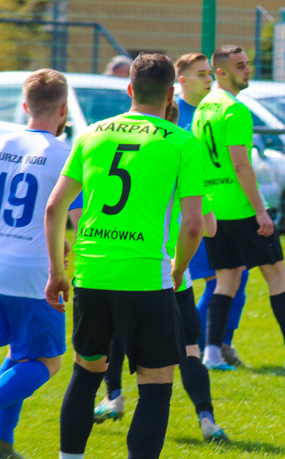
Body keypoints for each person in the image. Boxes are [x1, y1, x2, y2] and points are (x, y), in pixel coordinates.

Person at [45, 53, 205, 459]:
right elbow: (193, 225)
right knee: (155, 384)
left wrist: (57, 271)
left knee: (87, 372)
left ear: (129, 89)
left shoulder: (92, 134)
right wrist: (179, 268)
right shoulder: (182, 141)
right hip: (147, 280)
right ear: (172, 93)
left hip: (93, 277)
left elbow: (54, 209)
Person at [90, 98, 230, 443]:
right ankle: (207, 419)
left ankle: (114, 396)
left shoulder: (125, 151)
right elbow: (209, 227)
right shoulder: (181, 157)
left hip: (127, 266)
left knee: (117, 335)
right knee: (189, 351)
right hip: (170, 274)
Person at [191, 45, 285, 372]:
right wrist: (261, 211)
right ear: (221, 72)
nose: (247, 70)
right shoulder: (234, 110)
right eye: (240, 66)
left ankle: (210, 353)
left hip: (214, 209)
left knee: (226, 282)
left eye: (248, 64)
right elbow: (241, 165)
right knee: (277, 276)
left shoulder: (202, 108)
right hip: (241, 209)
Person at [0, 70, 81, 459]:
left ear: (25, 106)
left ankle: (3, 444)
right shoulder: (66, 155)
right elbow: (77, 218)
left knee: (19, 354)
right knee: (47, 360)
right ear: (64, 110)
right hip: (32, 273)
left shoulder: (2, 141)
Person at [174, 53, 250, 369]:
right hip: (189, 215)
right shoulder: (174, 116)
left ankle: (221, 343)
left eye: (209, 74)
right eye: (201, 75)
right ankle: (195, 346)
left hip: (221, 210)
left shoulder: (211, 109)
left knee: (236, 276)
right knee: (212, 281)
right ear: (182, 80)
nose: (208, 80)